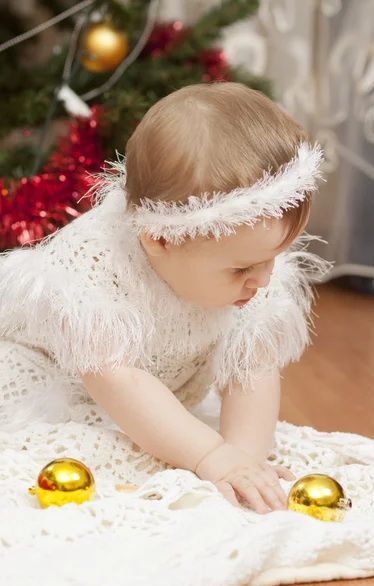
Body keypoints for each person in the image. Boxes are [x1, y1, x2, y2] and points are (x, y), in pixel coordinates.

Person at [0, 82, 327, 514]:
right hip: (60, 383)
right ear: (161, 240)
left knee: (205, 446)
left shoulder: (249, 258)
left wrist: (243, 460)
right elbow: (118, 378)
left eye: (273, 259)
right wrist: (210, 455)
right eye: (243, 269)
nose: (263, 280)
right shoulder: (92, 269)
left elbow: (252, 367)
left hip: (160, 387)